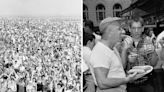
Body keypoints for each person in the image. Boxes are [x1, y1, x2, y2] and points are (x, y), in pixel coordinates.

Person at [90, 17, 138, 92]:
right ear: (110, 32)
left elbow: (121, 67)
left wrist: (125, 49)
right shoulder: (101, 51)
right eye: (119, 29)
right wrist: (126, 79)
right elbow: (102, 83)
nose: (123, 31)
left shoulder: (112, 48)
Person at [121, 17, 159, 92]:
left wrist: (153, 51)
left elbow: (153, 64)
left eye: (138, 28)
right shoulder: (123, 43)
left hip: (147, 82)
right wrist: (126, 56)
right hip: (131, 83)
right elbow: (121, 66)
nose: (136, 31)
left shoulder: (148, 41)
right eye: (133, 28)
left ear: (142, 28)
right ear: (129, 28)